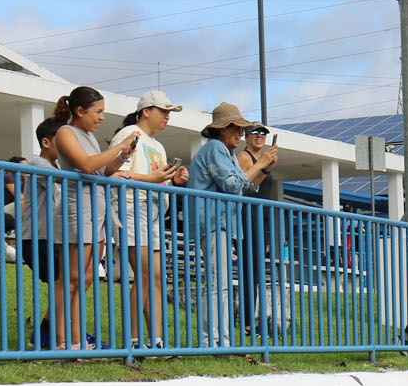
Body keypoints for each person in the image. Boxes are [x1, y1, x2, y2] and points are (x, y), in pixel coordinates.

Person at [53, 86, 139, 350]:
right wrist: (120, 146)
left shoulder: (89, 136)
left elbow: (102, 169)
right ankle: (61, 340)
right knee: (71, 278)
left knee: (87, 277)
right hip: (78, 212)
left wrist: (124, 155)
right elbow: (87, 165)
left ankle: (76, 340)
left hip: (97, 213)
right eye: (98, 111)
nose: (102, 117)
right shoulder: (65, 132)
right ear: (80, 111)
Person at [186, 101, 276, 348]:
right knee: (218, 284)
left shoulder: (223, 151)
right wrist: (258, 164)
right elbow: (232, 184)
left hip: (222, 225)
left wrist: (263, 170)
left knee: (221, 284)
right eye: (236, 127)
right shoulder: (215, 147)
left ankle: (220, 339)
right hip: (214, 224)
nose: (241, 133)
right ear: (222, 128)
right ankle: (213, 341)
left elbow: (246, 185)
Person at [110, 90, 189, 348]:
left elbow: (158, 180)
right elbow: (117, 174)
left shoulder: (158, 145)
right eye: (163, 111)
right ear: (146, 111)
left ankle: (155, 339)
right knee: (144, 273)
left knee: (155, 276)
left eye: (169, 112)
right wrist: (156, 180)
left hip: (153, 210)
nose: (167, 117)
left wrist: (173, 180)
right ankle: (133, 339)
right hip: (132, 206)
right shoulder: (128, 134)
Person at [17, 117, 67, 348]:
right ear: (46, 142)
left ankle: (47, 333)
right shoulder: (38, 164)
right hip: (36, 237)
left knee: (63, 283)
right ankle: (50, 335)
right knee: (62, 283)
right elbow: (64, 180)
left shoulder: (55, 167)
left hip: (50, 236)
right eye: (63, 141)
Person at [236, 123, 285, 339]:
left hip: (261, 219)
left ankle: (251, 320)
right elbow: (247, 184)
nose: (259, 136)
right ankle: (246, 322)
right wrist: (264, 167)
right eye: (255, 133)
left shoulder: (265, 158)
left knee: (257, 274)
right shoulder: (244, 157)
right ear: (246, 137)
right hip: (248, 217)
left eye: (263, 134)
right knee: (249, 273)